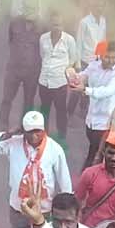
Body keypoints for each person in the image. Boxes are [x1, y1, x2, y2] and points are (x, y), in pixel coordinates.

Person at [0, 109, 72, 228]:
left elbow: (64, 179)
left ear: (44, 130)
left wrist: (66, 206)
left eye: (37, 131)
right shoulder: (14, 143)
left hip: (43, 209)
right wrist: (10, 133)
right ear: (23, 131)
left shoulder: (54, 149)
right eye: (30, 131)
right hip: (19, 207)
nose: (34, 135)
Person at [75, 41, 115, 164]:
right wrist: (74, 77)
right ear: (100, 55)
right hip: (91, 120)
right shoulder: (94, 65)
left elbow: (107, 91)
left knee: (96, 157)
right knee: (93, 151)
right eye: (107, 57)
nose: (110, 61)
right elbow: (84, 75)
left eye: (114, 57)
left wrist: (85, 90)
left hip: (106, 123)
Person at [36, 11, 79, 143]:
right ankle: (44, 138)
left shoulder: (69, 40)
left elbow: (73, 59)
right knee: (44, 110)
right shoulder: (43, 38)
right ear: (50, 25)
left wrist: (65, 72)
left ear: (63, 26)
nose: (56, 28)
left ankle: (61, 138)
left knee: (61, 112)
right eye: (54, 25)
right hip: (44, 81)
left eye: (59, 25)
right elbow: (42, 55)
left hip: (60, 83)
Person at [0, 1, 41, 128]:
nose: (29, 10)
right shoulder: (15, 22)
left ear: (37, 9)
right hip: (14, 69)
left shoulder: (43, 26)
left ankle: (24, 128)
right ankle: (3, 125)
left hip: (32, 71)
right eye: (27, 7)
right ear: (23, 8)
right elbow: (10, 40)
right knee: (7, 98)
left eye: (32, 8)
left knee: (28, 102)